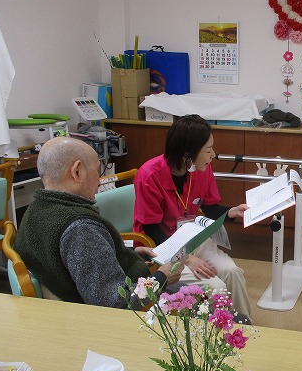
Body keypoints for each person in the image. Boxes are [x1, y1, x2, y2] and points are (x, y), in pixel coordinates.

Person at [14, 137, 182, 307]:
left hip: (89, 295)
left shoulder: (36, 209)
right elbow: (115, 303)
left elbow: (79, 259)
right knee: (191, 294)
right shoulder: (81, 229)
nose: (99, 181)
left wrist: (130, 252)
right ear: (77, 172)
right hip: (123, 309)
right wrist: (161, 278)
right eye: (97, 171)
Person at [133, 114, 252, 321]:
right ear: (188, 155)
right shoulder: (149, 176)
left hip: (194, 239)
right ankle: (218, 332)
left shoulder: (201, 169)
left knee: (233, 273)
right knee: (216, 287)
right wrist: (185, 257)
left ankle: (244, 326)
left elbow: (210, 207)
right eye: (208, 150)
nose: (213, 154)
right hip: (163, 248)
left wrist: (231, 212)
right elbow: (152, 229)